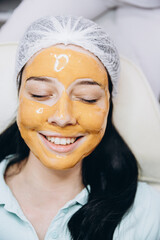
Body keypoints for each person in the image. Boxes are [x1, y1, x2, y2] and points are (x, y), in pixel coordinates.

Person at [0, 15, 160, 240]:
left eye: (87, 98)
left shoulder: (147, 212)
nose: (63, 117)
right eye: (40, 94)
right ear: (20, 98)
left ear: (108, 106)